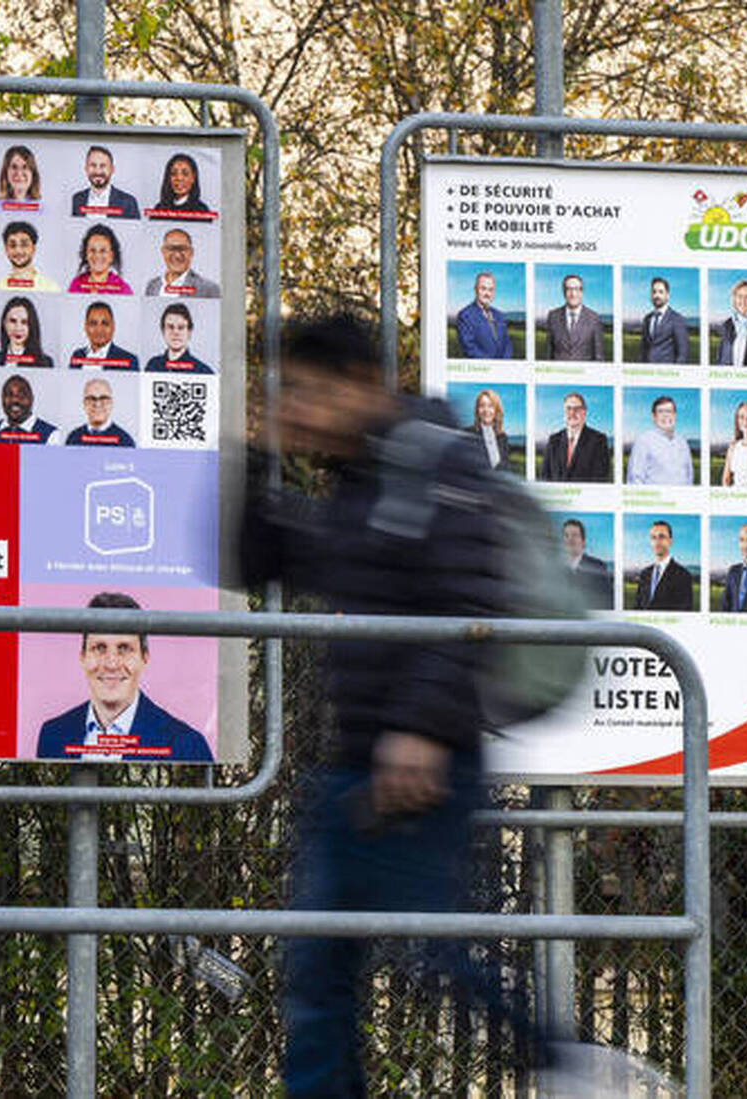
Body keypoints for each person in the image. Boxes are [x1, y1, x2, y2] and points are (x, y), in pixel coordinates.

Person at [240, 313, 537, 1097]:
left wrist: (422, 729)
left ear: (362, 386)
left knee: (438, 954)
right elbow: (253, 558)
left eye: (306, 390)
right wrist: (258, 453)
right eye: (286, 392)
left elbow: (474, 599)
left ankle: (563, 1059)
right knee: (317, 970)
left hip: (428, 762)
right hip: (352, 767)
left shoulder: (439, 460)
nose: (295, 406)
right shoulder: (350, 487)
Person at [36, 592, 210, 760]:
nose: (111, 664)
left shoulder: (187, 745)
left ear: (144, 658)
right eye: (99, 648)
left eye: (124, 649)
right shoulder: (52, 735)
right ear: (83, 657)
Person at [541, 391, 611, 483]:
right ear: (564, 412)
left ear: (584, 412)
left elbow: (600, 479)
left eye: (577, 409)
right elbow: (545, 477)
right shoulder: (554, 440)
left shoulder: (598, 441)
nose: (572, 412)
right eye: (568, 408)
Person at [626, 394, 694, 485]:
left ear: (675, 415)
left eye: (669, 411)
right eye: (661, 412)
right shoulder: (644, 441)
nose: (666, 415)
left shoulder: (683, 442)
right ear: (653, 417)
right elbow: (635, 479)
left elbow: (689, 476)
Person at [632, 520, 695, 611]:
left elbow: (684, 613)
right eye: (653, 537)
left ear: (670, 541)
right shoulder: (644, 574)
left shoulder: (683, 575)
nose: (657, 541)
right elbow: (637, 608)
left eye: (661, 537)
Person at [544, 273, 606, 362]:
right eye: (569, 289)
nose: (573, 294)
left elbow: (599, 356)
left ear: (581, 292)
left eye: (576, 289)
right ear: (564, 292)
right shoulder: (553, 316)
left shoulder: (594, 318)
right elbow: (549, 354)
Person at [454, 271, 514, 360]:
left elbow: (507, 344)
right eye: (483, 288)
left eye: (491, 290)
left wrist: (504, 364)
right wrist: (491, 366)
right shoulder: (465, 315)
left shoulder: (500, 315)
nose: (487, 294)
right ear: (475, 289)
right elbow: (470, 349)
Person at [68, 145, 141, 219]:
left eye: (103, 166)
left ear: (112, 169)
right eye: (93, 165)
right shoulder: (77, 199)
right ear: (86, 169)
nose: (98, 171)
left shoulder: (128, 202)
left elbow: (135, 230)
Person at [0, 374, 60, 444]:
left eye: (21, 395)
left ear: (31, 399)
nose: (15, 400)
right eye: (9, 395)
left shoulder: (50, 435)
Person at [145, 227, 219, 298]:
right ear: (163, 251)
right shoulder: (152, 286)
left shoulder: (208, 289)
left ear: (191, 252)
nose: (177, 255)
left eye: (183, 249)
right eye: (171, 249)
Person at [67, 301, 139, 371]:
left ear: (113, 327)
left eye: (105, 323)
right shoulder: (77, 355)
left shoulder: (129, 360)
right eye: (93, 323)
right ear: (86, 327)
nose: (99, 330)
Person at [65, 376, 136, 446]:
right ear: (84, 403)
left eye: (103, 398)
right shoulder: (73, 438)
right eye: (91, 398)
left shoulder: (125, 441)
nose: (97, 404)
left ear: (111, 403)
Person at [0, 221, 59, 293]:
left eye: (24, 245)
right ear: (6, 249)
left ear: (33, 248)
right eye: (12, 245)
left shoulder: (50, 288)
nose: (18, 251)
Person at [561, 519, 613, 611]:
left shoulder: (598, 566)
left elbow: (607, 603)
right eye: (566, 535)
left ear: (583, 541)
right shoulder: (554, 567)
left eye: (574, 535)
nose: (570, 539)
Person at [146, 302, 214, 373]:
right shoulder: (153, 366)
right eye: (170, 327)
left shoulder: (203, 371)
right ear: (163, 331)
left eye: (181, 328)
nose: (176, 332)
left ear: (189, 332)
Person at [0, 297, 53, 368]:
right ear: (4, 323)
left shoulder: (45, 362)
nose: (18, 328)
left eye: (24, 322)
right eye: (13, 321)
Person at [639, 276, 691, 364]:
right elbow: (643, 349)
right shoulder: (647, 319)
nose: (656, 295)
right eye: (654, 292)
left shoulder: (677, 319)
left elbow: (682, 353)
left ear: (667, 295)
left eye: (660, 292)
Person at [68, 224, 130, 295]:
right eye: (92, 250)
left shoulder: (122, 289)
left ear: (111, 256)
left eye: (103, 251)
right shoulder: (76, 285)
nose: (97, 255)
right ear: (86, 254)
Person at [149, 152, 212, 217]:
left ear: (193, 178)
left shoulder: (201, 210)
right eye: (173, 173)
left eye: (185, 174)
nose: (179, 178)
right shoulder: (159, 208)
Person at [465, 388, 510, 471]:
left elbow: (506, 468)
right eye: (482, 405)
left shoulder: (503, 437)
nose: (486, 410)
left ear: (496, 410)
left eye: (490, 406)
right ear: (477, 410)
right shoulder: (468, 434)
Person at [0, 144, 42, 212]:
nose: (19, 173)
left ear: (33, 174)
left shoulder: (41, 209)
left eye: (25, 167)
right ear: (6, 173)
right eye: (14, 167)